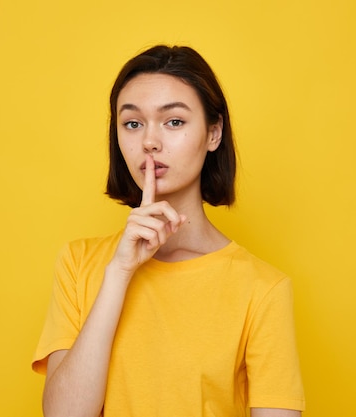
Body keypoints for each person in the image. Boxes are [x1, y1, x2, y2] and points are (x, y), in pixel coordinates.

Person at [32, 45, 305, 417]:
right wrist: (120, 272)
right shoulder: (80, 263)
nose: (149, 141)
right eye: (132, 123)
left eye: (173, 121)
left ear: (213, 133)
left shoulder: (263, 289)